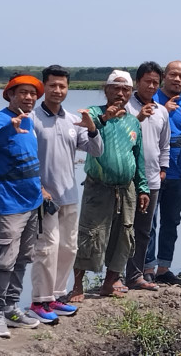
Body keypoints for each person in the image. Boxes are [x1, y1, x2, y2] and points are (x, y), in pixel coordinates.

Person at [28, 65, 103, 324]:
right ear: (44, 87)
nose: (58, 90)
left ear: (67, 88)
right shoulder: (32, 119)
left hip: (69, 194)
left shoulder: (73, 120)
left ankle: (57, 296)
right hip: (43, 198)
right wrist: (37, 187)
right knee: (46, 249)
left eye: (62, 86)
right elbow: (24, 157)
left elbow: (97, 151)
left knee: (68, 248)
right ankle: (39, 300)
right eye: (53, 85)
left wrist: (92, 128)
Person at [0, 73, 45, 337]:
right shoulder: (1, 119)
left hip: (31, 203)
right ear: (10, 96)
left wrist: (41, 191)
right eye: (22, 92)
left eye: (33, 93)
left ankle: (11, 307)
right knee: (3, 261)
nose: (28, 97)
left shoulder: (29, 120)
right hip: (7, 205)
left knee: (23, 258)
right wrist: (7, 127)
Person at [70, 70, 150, 302]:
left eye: (126, 89)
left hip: (126, 188)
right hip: (99, 187)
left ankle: (109, 282)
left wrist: (143, 187)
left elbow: (139, 157)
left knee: (124, 235)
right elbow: (86, 134)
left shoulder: (134, 121)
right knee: (90, 234)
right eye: (116, 88)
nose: (120, 93)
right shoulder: (94, 113)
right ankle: (77, 285)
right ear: (106, 90)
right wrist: (104, 119)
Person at [144, 60, 181, 285]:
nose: (177, 79)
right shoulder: (150, 99)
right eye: (173, 75)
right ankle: (146, 268)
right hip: (150, 174)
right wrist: (163, 110)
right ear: (165, 76)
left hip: (177, 174)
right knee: (148, 224)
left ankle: (164, 268)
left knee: (171, 222)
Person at [124, 61, 170, 291]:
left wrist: (163, 169)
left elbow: (165, 145)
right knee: (122, 229)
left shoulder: (162, 111)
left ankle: (136, 275)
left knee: (144, 230)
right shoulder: (126, 107)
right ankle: (112, 276)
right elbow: (120, 138)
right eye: (147, 81)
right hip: (126, 179)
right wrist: (138, 118)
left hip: (152, 180)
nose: (152, 86)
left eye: (155, 82)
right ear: (137, 82)